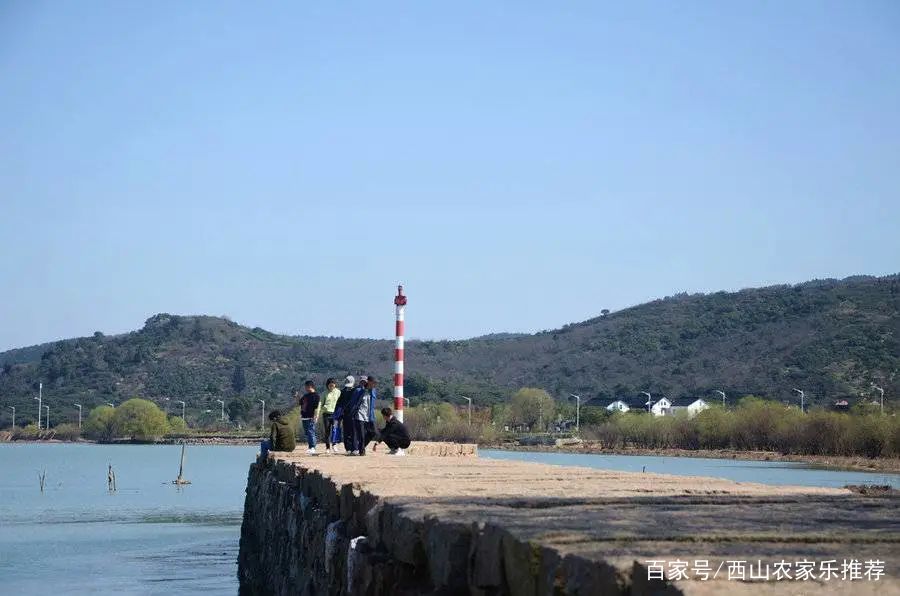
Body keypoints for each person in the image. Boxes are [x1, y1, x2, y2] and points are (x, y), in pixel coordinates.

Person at [349, 376, 377, 456]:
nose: (374, 385)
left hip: (370, 415)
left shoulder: (373, 391)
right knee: (361, 434)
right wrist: (352, 413)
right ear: (368, 382)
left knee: (373, 432)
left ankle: (360, 447)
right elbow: (353, 402)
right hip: (359, 415)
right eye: (373, 383)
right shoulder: (359, 390)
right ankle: (362, 451)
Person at [334, 375, 357, 453]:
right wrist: (337, 413)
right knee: (346, 432)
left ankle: (355, 448)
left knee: (353, 431)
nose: (348, 387)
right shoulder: (343, 391)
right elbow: (339, 403)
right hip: (345, 414)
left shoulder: (356, 391)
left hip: (353, 414)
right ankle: (348, 449)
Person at [298, 380, 321, 454]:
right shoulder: (305, 396)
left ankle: (313, 447)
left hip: (311, 416)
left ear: (310, 386)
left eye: (306, 386)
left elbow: (317, 407)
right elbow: (300, 403)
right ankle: (310, 447)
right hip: (304, 416)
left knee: (311, 431)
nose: (305, 388)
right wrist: (297, 397)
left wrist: (316, 416)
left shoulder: (316, 396)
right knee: (307, 433)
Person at [320, 378, 340, 454]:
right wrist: (322, 409)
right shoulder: (324, 393)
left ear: (335, 385)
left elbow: (340, 402)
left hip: (335, 414)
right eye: (330, 385)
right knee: (327, 431)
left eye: (333, 385)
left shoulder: (338, 392)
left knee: (335, 429)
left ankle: (334, 444)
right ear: (327, 385)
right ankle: (327, 447)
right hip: (326, 414)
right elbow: (320, 404)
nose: (331, 386)